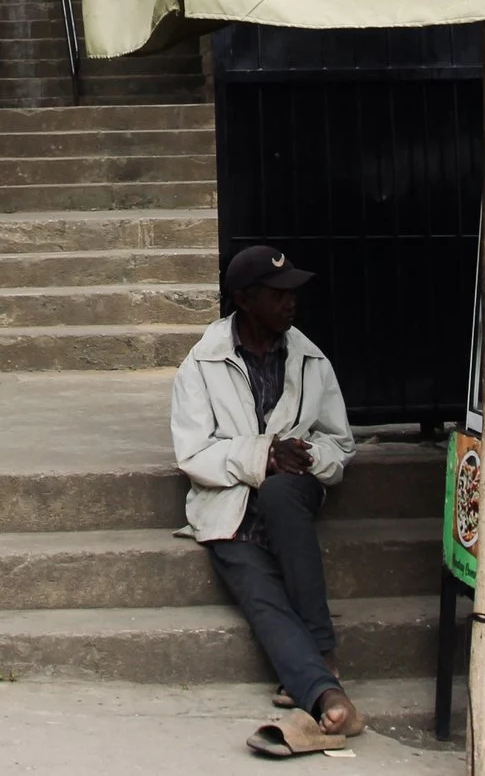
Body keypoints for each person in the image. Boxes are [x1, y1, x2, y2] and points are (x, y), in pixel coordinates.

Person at [171, 245, 361, 738]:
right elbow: (193, 455)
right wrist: (263, 456)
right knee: (258, 590)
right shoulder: (201, 364)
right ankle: (324, 689)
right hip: (227, 503)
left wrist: (307, 456)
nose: (290, 303)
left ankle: (320, 647)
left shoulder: (310, 357)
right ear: (244, 300)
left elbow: (339, 442)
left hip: (292, 493)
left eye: (293, 293)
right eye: (277, 295)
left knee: (280, 497)